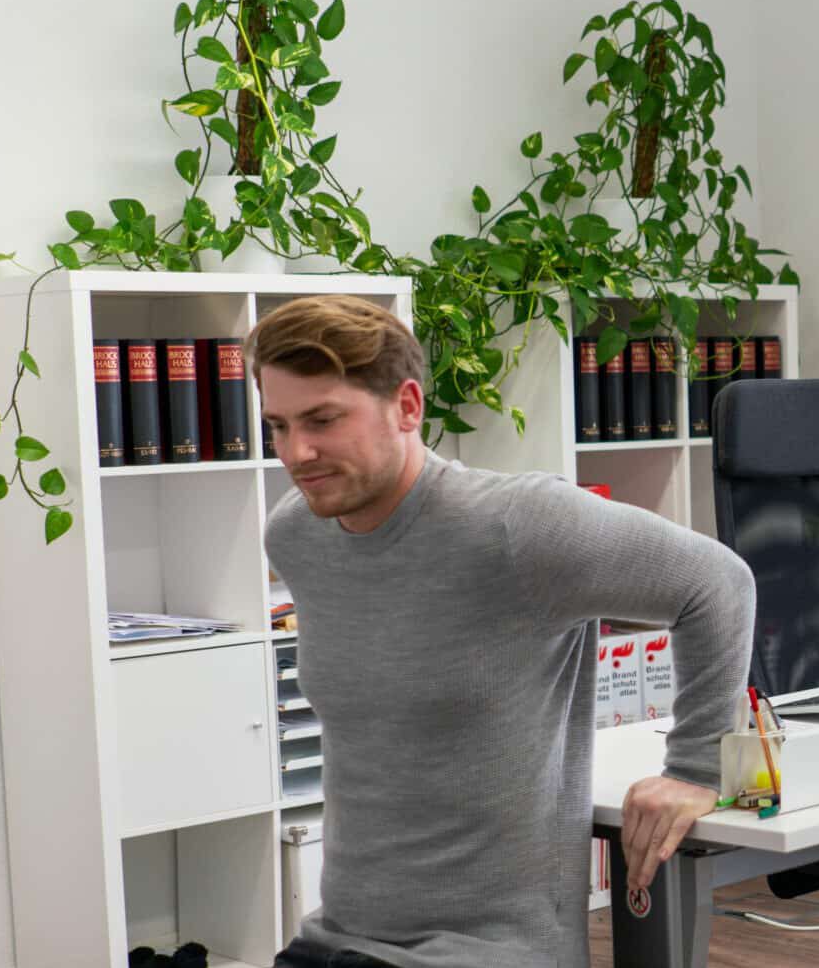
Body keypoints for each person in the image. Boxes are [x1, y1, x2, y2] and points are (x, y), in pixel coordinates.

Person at [251, 296, 757, 968]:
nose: (296, 452)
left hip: (488, 951)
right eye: (277, 426)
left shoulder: (516, 527)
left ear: (407, 406)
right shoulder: (295, 535)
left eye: (322, 420)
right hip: (338, 940)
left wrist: (697, 768)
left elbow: (718, 583)